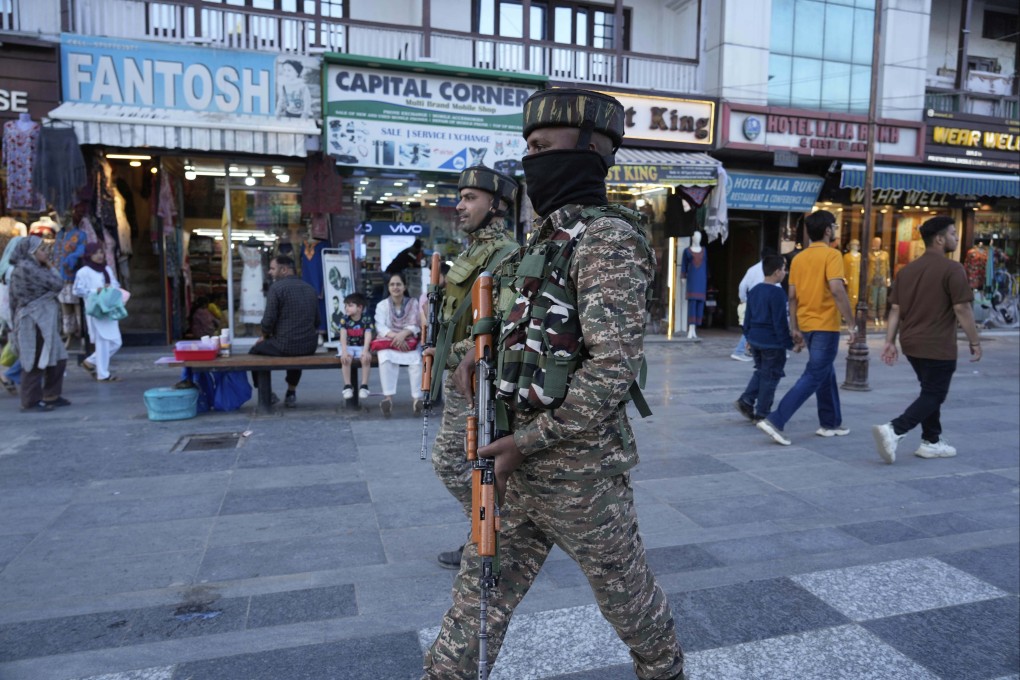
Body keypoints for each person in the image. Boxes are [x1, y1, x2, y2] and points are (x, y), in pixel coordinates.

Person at [422, 88, 685, 680]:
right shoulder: (544, 241)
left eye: (543, 147)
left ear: (591, 149)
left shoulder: (607, 240)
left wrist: (530, 442)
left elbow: (612, 368)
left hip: (580, 477)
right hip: (514, 468)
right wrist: (469, 353)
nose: (532, 160)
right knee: (476, 603)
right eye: (527, 148)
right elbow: (525, 330)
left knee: (629, 602)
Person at [423, 165, 520, 570]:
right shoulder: (471, 251)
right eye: (460, 197)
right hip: (458, 376)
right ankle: (485, 532)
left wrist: (448, 350)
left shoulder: (508, 255)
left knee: (454, 463)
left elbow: (503, 323)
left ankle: (496, 530)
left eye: (470, 198)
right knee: (465, 463)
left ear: (496, 205)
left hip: (480, 378)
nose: (459, 206)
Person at [872, 216, 982, 463]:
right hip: (937, 343)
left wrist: (890, 341)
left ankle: (931, 441)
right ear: (940, 239)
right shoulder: (952, 269)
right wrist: (974, 341)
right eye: (953, 234)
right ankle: (895, 429)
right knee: (934, 394)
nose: (956, 238)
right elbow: (962, 308)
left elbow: (896, 310)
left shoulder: (907, 270)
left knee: (929, 390)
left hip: (911, 342)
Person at [756, 210, 857, 446]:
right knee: (814, 373)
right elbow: (836, 289)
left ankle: (830, 422)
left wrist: (795, 326)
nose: (835, 229)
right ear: (827, 230)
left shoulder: (798, 259)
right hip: (825, 325)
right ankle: (776, 420)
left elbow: (791, 297)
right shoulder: (832, 256)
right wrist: (851, 323)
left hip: (808, 323)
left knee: (824, 371)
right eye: (834, 226)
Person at [249, 255, 319, 408]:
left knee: (254, 351)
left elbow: (268, 321)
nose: (269, 272)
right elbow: (317, 322)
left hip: (284, 345)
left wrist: (264, 336)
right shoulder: (310, 288)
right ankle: (291, 392)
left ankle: (266, 392)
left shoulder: (277, 288)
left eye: (273, 268)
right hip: (308, 346)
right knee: (296, 349)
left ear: (284, 270)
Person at [9, 236, 70, 412]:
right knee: (34, 359)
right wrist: (51, 267)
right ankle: (30, 401)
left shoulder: (35, 267)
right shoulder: (26, 268)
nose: (46, 253)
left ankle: (51, 394)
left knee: (58, 357)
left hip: (44, 319)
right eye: (42, 250)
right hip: (33, 320)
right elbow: (57, 283)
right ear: (31, 252)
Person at [735, 254, 798, 423]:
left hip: (755, 338)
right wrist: (788, 343)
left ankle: (747, 401)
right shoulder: (778, 293)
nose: (785, 272)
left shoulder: (755, 290)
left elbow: (748, 318)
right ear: (777, 272)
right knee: (771, 377)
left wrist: (748, 336)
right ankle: (762, 413)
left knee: (762, 371)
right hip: (772, 342)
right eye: (784, 269)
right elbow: (779, 322)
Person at [374, 271, 422, 416]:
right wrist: (397, 337)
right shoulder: (382, 305)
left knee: (417, 360)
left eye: (398, 284)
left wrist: (403, 335)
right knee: (385, 357)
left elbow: (415, 324)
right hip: (390, 342)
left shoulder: (413, 303)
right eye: (392, 284)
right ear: (388, 287)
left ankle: (417, 399)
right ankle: (388, 399)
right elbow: (380, 327)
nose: (395, 287)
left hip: (408, 342)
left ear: (404, 286)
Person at [73, 242, 123, 382]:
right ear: (89, 255)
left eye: (101, 252)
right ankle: (103, 374)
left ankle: (90, 361)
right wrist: (96, 290)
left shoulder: (106, 269)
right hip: (96, 311)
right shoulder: (83, 272)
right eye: (96, 253)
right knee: (102, 341)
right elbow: (77, 290)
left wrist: (110, 287)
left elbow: (116, 284)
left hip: (109, 308)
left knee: (116, 342)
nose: (99, 255)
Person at [730, 248, 777, 362]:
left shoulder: (752, 269)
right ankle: (740, 350)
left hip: (753, 300)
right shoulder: (771, 270)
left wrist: (744, 299)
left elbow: (742, 286)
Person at [337, 291, 375, 400]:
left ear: (359, 308)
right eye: (345, 306)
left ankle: (364, 386)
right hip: (347, 345)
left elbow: (368, 334)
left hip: (362, 346)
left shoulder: (366, 318)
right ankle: (347, 386)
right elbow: (343, 335)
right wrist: (344, 351)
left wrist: (366, 350)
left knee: (365, 359)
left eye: (350, 305)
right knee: (346, 359)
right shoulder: (345, 319)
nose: (346, 308)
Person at [680, 230, 707, 339]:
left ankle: (694, 329)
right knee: (692, 304)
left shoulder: (704, 251)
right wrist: (683, 276)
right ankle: (690, 329)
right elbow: (684, 265)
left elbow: (706, 265)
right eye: (696, 237)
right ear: (692, 238)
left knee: (699, 305)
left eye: (699, 237)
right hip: (692, 279)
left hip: (701, 280)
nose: (697, 239)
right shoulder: (687, 251)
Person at [868, 236, 890, 325]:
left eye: (878, 242)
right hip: (872, 280)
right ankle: (873, 317)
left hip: (882, 279)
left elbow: (887, 267)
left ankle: (881, 316)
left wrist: (888, 278)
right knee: (873, 298)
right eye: (875, 242)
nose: (877, 244)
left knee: (882, 298)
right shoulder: (869, 254)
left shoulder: (885, 254)